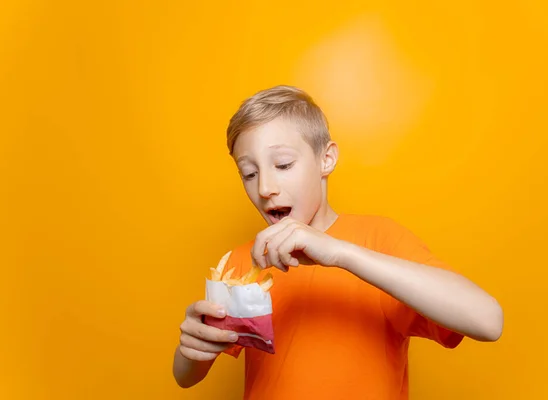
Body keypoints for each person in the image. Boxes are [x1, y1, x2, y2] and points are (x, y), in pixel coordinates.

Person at [172, 85, 503, 399]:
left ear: (325, 159)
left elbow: (488, 320)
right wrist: (191, 348)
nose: (265, 188)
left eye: (283, 164)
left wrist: (340, 253)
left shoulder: (379, 240)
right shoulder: (243, 261)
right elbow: (186, 377)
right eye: (249, 173)